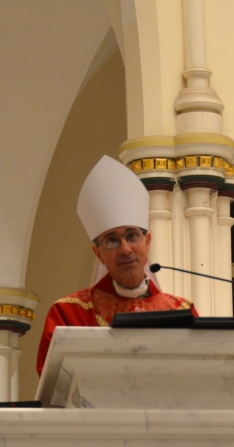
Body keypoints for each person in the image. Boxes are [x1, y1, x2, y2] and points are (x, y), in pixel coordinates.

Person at [36, 156, 197, 375]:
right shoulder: (69, 314)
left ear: (147, 242)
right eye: (112, 240)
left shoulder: (182, 312)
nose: (125, 249)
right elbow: (55, 386)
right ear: (98, 253)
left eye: (132, 235)